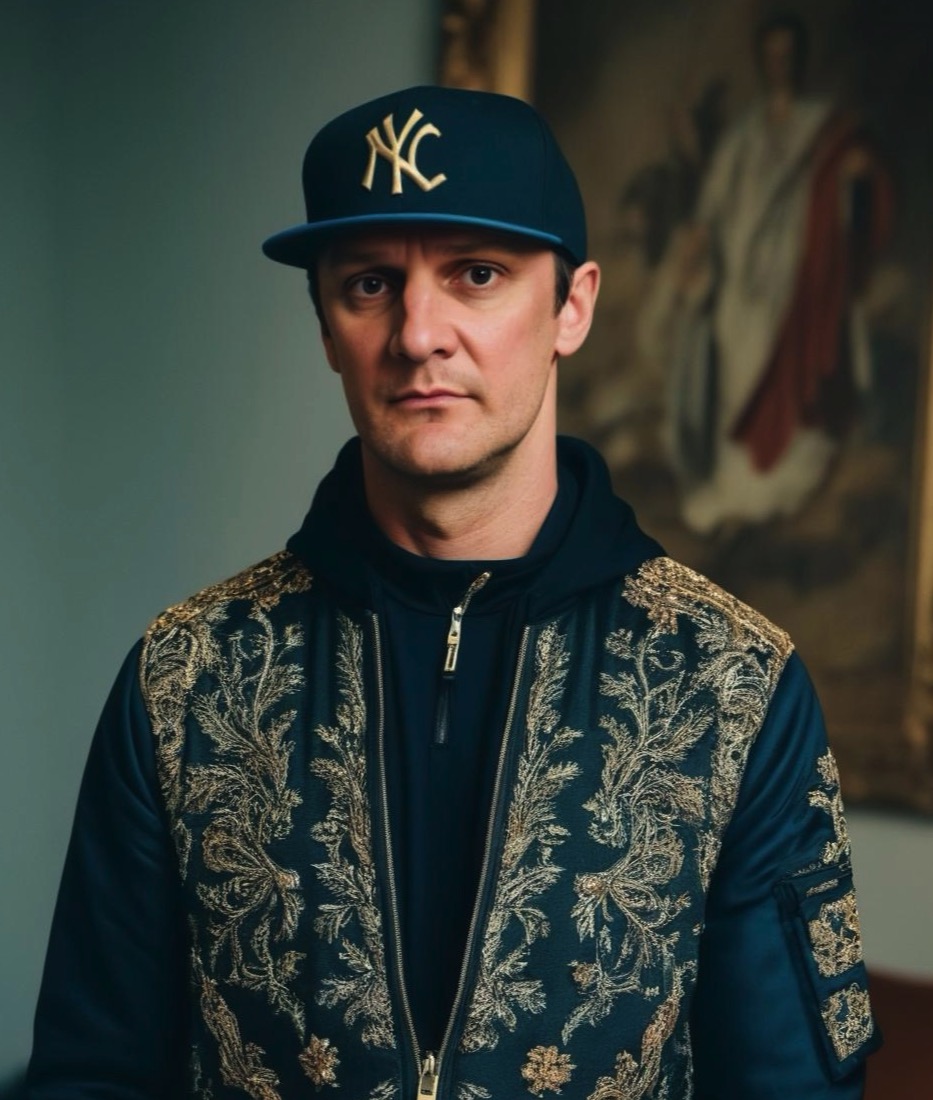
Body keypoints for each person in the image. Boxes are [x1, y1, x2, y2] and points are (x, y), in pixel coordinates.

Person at [27, 85, 880, 1099]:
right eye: (370, 283)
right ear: (325, 326)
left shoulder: (734, 685)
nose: (418, 332)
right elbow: (89, 1076)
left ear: (572, 306)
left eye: (476, 274)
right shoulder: (185, 680)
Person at [661, 14, 892, 534]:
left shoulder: (822, 127)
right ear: (762, 62)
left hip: (797, 279)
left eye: (788, 54)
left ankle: (785, 484)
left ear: (800, 60)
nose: (780, 64)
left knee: (792, 374)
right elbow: (713, 203)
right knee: (738, 376)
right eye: (772, 55)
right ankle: (737, 489)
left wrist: (853, 178)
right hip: (741, 282)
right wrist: (696, 246)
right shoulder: (744, 134)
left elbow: (858, 178)